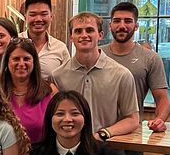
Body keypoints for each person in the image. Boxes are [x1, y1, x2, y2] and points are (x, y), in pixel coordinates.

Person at [102, 1, 170, 155]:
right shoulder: (97, 54)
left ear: (136, 25)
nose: (122, 25)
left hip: (131, 136)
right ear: (110, 25)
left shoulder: (150, 58)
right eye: (117, 21)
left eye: (128, 21)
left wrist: (160, 119)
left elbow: (162, 99)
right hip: (98, 133)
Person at [51, 12, 139, 141]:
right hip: (70, 146)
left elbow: (132, 119)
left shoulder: (121, 75)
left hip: (106, 146)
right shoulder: (57, 76)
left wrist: (103, 134)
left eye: (90, 30)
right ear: (71, 37)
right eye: (78, 31)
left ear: (100, 35)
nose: (84, 35)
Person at [0, 36, 58, 147]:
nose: (21, 64)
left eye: (26, 59)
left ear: (34, 62)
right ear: (7, 62)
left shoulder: (50, 91)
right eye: (16, 59)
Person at [18, 0, 71, 78]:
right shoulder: (14, 43)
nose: (38, 19)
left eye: (44, 14)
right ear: (25, 17)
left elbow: (67, 79)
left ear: (51, 16)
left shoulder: (60, 48)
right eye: (33, 14)